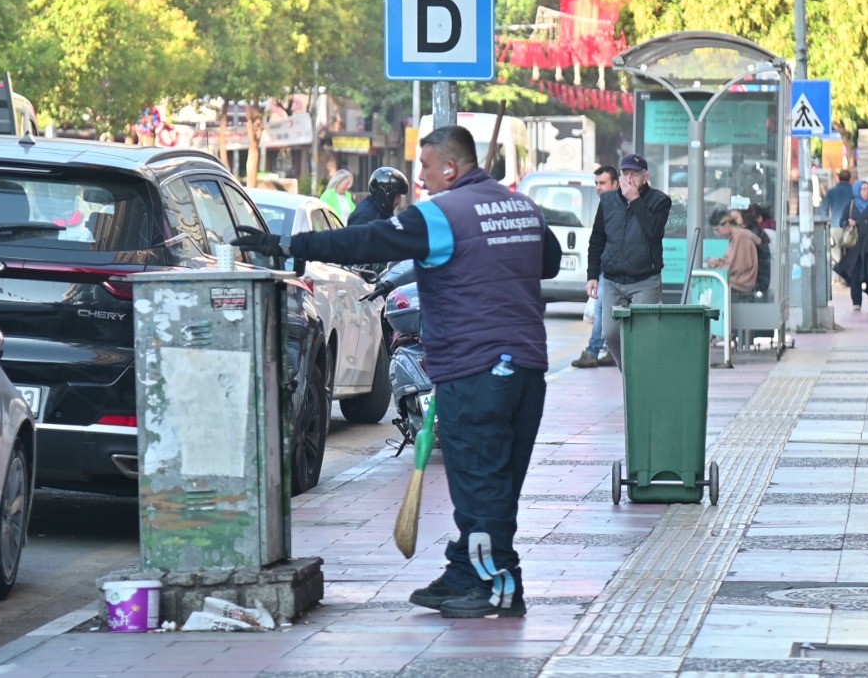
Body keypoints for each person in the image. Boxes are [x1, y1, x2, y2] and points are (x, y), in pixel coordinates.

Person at [233, 127, 561, 618]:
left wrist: (287, 244)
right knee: (499, 482)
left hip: (474, 370)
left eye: (426, 168)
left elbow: (365, 240)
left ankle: (495, 586)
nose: (421, 180)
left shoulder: (442, 215)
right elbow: (550, 262)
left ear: (451, 168)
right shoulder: (523, 208)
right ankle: (468, 570)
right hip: (527, 370)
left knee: (478, 482)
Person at [586, 153, 672, 368]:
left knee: (644, 335)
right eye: (625, 173)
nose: (629, 178)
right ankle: (632, 376)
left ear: (646, 177)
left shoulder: (660, 200)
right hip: (613, 279)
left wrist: (635, 200)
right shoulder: (607, 200)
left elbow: (654, 232)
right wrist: (592, 275)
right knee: (611, 333)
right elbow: (597, 239)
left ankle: (644, 377)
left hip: (645, 278)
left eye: (634, 174)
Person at [572, 164, 620, 369]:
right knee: (602, 309)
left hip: (621, 271)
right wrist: (592, 275)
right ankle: (605, 351)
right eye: (596, 183)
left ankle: (595, 351)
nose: (598, 188)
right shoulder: (604, 205)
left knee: (603, 311)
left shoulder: (623, 205)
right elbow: (596, 241)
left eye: (603, 183)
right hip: (605, 269)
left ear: (615, 184)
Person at [834, 180, 868, 312]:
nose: (867, 191)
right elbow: (841, 221)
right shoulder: (851, 205)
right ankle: (856, 303)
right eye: (863, 189)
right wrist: (848, 222)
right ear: (858, 191)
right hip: (854, 248)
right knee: (855, 276)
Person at [705, 212, 760, 295]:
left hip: (738, 284)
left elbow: (735, 266)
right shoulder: (739, 236)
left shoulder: (740, 237)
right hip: (738, 283)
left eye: (717, 229)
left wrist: (714, 265)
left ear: (726, 223)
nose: (717, 233)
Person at [821, 169, 855, 249]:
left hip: (835, 225)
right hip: (850, 227)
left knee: (836, 252)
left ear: (839, 179)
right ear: (850, 179)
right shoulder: (854, 192)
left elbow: (823, 209)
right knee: (851, 252)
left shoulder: (831, 192)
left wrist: (824, 224)